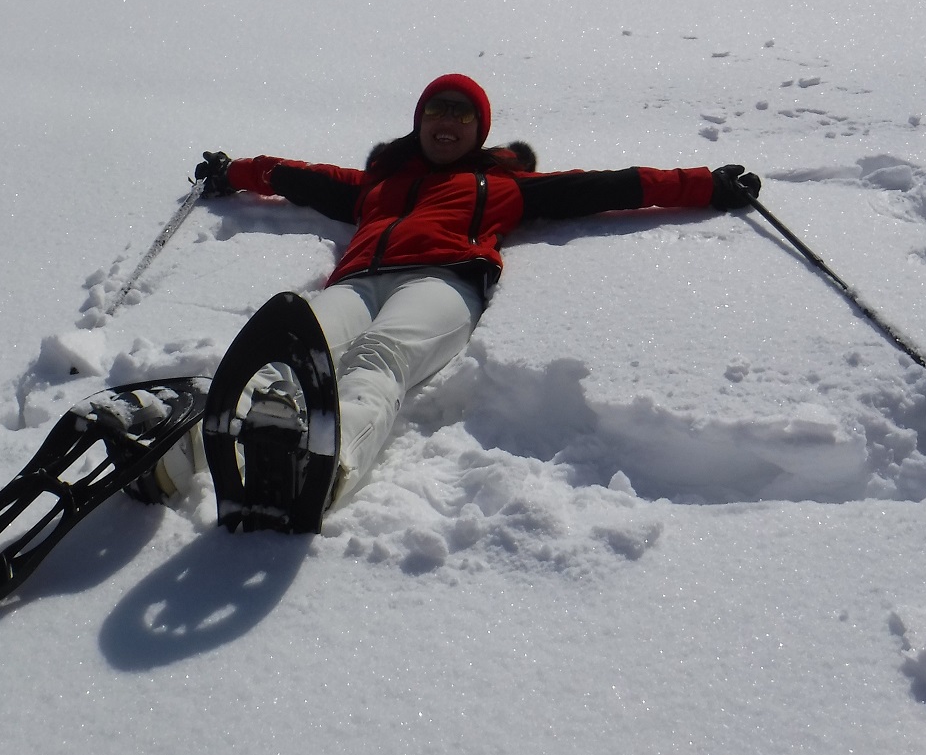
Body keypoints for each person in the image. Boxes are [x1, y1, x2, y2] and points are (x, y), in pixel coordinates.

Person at [185, 74, 761, 514]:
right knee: (278, 357)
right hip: (357, 283)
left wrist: (709, 185)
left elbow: (615, 185)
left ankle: (328, 464)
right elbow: (290, 175)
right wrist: (231, 171)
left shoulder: (506, 185)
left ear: (477, 131)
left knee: (379, 358)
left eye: (461, 114)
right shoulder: (377, 184)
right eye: (436, 109)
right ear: (420, 121)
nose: (447, 121)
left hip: (443, 282)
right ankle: (178, 453)